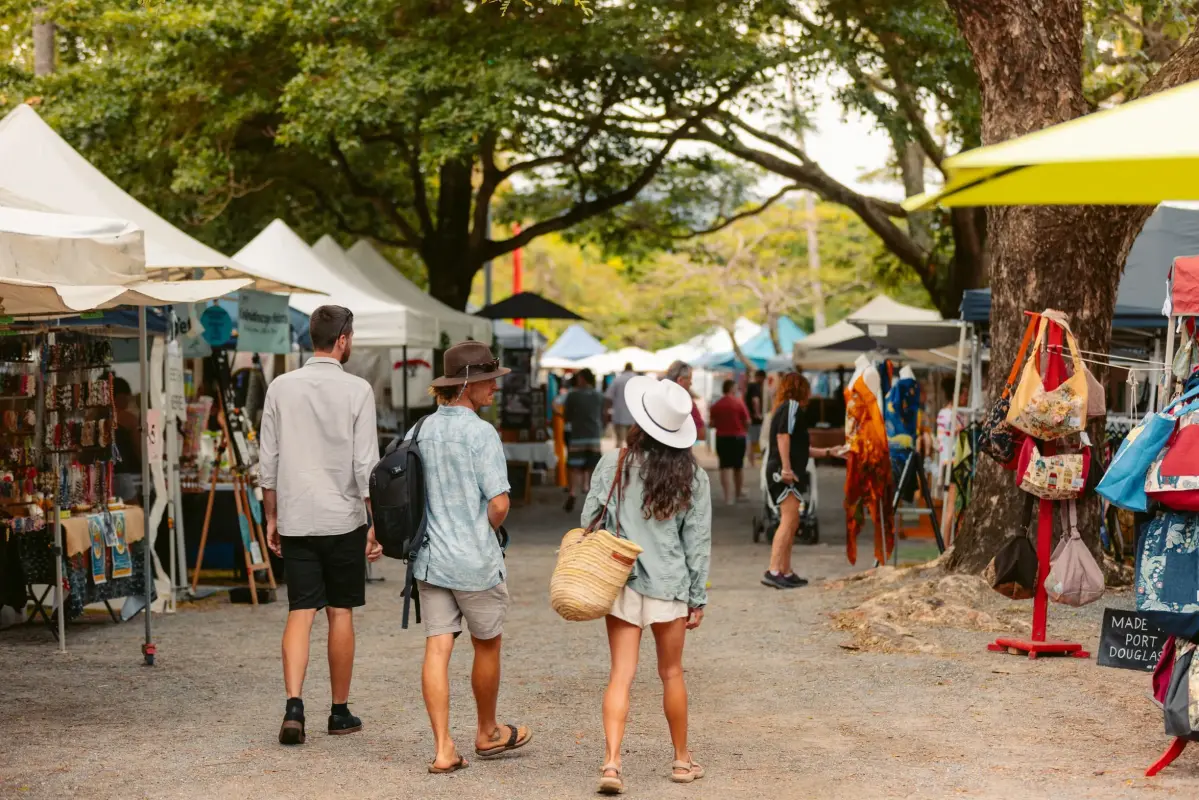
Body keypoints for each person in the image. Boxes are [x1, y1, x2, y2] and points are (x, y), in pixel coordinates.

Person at [260, 305, 383, 746]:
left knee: (299, 610)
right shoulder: (357, 390)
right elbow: (365, 462)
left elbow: (268, 460)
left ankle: (294, 705)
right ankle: (339, 710)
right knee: (340, 610)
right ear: (344, 339)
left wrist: (271, 516)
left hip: (296, 514)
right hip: (343, 516)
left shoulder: (280, 387)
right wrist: (375, 523)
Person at [582, 376, 711, 795]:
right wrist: (697, 597)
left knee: (621, 674)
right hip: (671, 584)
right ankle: (680, 760)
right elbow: (697, 543)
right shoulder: (692, 475)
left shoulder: (614, 463)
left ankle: (612, 764)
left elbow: (589, 520)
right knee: (671, 673)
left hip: (622, 580)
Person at [414, 341, 532, 774]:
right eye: (489, 382)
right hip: (474, 558)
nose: (494, 390)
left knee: (437, 646)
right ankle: (487, 731)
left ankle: (444, 748)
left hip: (430, 558)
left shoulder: (420, 430)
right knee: (487, 643)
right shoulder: (480, 432)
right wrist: (485, 529)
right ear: (467, 384)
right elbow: (499, 503)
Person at [762, 373, 842, 590]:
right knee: (788, 520)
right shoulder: (791, 407)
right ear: (800, 389)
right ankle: (774, 570)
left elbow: (799, 448)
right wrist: (786, 467)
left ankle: (786, 571)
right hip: (783, 472)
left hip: (785, 470)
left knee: (793, 520)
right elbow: (783, 437)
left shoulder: (786, 408)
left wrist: (828, 452)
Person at [563, 368, 605, 513]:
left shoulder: (573, 395)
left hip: (577, 435)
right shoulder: (599, 395)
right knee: (592, 465)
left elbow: (566, 415)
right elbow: (603, 414)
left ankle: (573, 492)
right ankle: (589, 490)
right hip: (594, 434)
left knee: (575, 466)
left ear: (583, 379)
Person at [709, 379, 751, 505]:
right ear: (732, 389)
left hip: (722, 438)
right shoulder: (739, 403)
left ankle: (728, 497)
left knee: (724, 467)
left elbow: (711, 424)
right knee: (738, 467)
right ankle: (738, 493)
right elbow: (748, 421)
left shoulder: (716, 405)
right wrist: (743, 430)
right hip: (738, 438)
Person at [112, 378, 142, 504]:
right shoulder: (128, 419)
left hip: (103, 475)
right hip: (124, 474)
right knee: (134, 515)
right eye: (127, 398)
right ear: (119, 397)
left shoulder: (93, 417)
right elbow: (139, 448)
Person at [664, 360, 705, 442]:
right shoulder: (687, 404)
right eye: (690, 379)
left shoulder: (656, 396)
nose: (691, 383)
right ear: (680, 380)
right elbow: (701, 434)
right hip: (677, 452)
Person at [605, 362, 637, 446]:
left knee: (619, 442)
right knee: (632, 443)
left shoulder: (617, 380)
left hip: (619, 416)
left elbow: (608, 396)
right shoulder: (636, 379)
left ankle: (619, 458)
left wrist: (606, 411)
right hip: (634, 417)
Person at [746, 370, 766, 467]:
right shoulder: (755, 387)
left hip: (750, 417)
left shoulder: (750, 386)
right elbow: (756, 400)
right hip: (754, 419)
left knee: (752, 440)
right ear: (760, 377)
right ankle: (752, 462)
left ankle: (751, 460)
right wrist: (758, 413)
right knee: (754, 441)